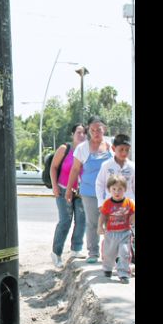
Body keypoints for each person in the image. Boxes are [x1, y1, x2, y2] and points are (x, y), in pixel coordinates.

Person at [65, 115, 113, 264]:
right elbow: (75, 170)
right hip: (89, 192)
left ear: (104, 129)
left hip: (111, 193)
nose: (96, 133)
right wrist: (68, 190)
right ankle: (93, 252)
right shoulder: (82, 148)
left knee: (111, 223)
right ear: (89, 131)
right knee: (92, 223)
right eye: (92, 130)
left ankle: (111, 253)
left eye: (98, 129)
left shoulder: (111, 145)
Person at [49, 124, 87, 269]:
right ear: (73, 134)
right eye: (79, 132)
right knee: (65, 221)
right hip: (63, 190)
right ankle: (56, 253)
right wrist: (54, 186)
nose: (82, 135)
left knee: (81, 221)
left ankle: (76, 249)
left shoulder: (87, 151)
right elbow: (53, 167)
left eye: (84, 133)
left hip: (81, 191)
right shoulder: (65, 149)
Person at [98, 174, 135, 283]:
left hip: (125, 233)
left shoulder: (129, 203)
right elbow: (103, 216)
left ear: (125, 190)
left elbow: (133, 215)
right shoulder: (107, 203)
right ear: (109, 190)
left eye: (120, 189)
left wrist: (132, 222)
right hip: (110, 233)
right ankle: (107, 268)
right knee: (109, 253)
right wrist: (100, 227)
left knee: (124, 253)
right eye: (114, 189)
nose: (117, 192)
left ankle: (123, 273)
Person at [95, 133, 135, 204]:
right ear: (113, 148)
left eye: (127, 150)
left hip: (129, 206)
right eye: (121, 149)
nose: (124, 153)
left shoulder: (132, 167)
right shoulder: (106, 165)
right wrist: (100, 202)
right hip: (111, 205)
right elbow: (99, 184)